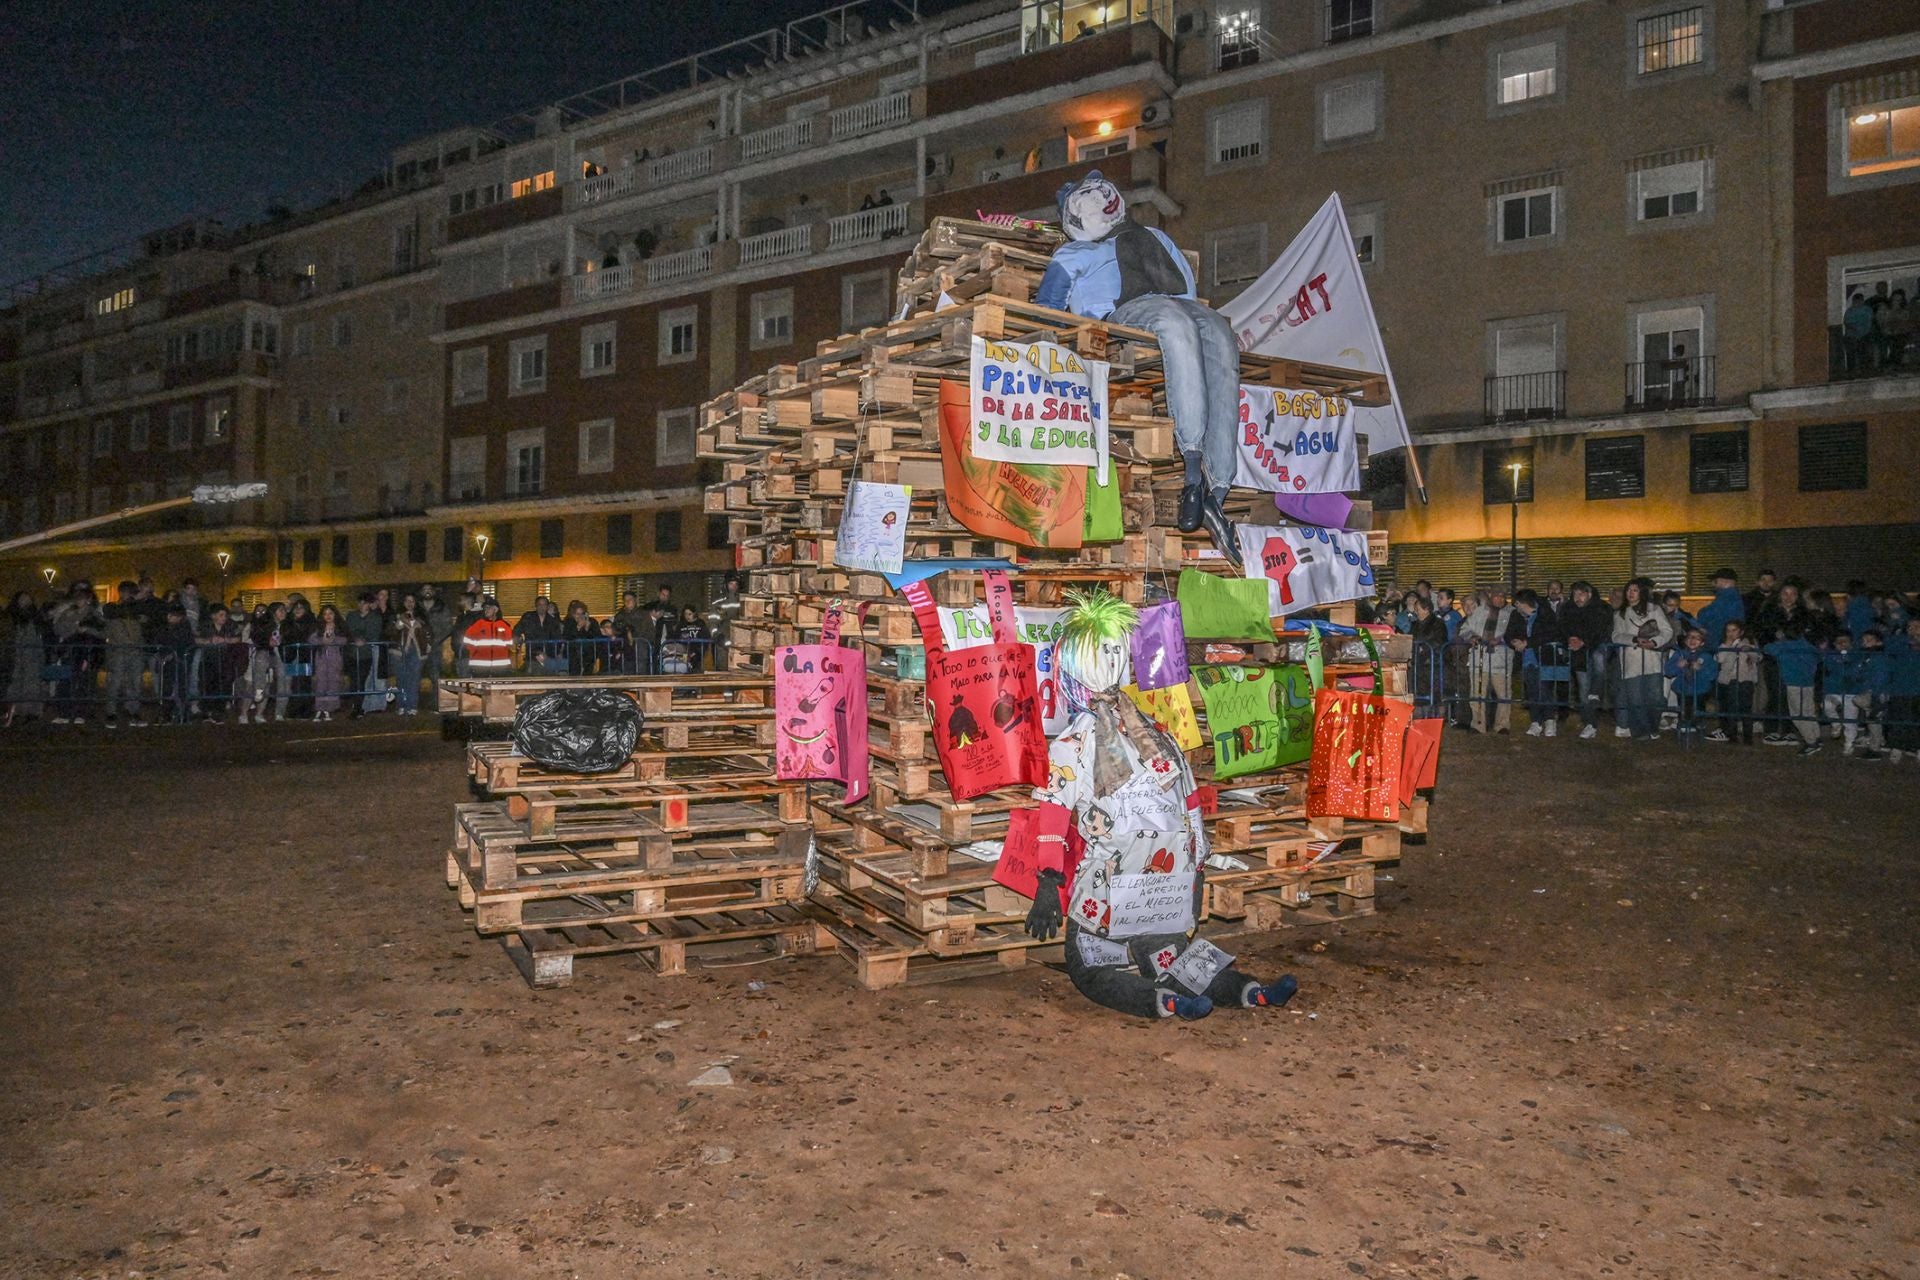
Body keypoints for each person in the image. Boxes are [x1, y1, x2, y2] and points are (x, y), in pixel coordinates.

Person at [1024, 589, 1298, 1021]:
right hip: (1167, 870)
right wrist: (1197, 862)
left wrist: (1048, 879)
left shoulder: (1074, 744)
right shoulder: (1155, 735)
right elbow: (1187, 797)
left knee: (1091, 964)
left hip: (1114, 875)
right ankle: (1250, 992)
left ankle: (1165, 1003)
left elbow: (1054, 814)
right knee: (1171, 957)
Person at [1035, 171, 1242, 565]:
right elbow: (1050, 308)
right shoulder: (1074, 254)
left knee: (1218, 333)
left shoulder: (1154, 236)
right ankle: (1194, 466)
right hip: (1120, 312)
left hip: (1172, 300)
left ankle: (1218, 489)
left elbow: (1186, 288)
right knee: (1174, 324)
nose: (1102, 199)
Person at [1611, 577, 1672, 742]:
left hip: (1652, 659)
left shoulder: (1654, 609)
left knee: (1656, 696)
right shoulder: (1621, 613)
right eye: (1628, 590)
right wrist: (1634, 640)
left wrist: (1654, 642)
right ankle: (1640, 731)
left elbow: (1666, 630)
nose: (1630, 593)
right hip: (1632, 659)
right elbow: (1617, 635)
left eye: (1635, 590)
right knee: (1635, 698)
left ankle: (1653, 726)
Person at [1763, 623, 1822, 755]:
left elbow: (1767, 648)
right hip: (1808, 683)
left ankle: (1811, 742)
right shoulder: (1807, 646)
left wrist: (1780, 640)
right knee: (1809, 711)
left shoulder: (1784, 646)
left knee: (1798, 714)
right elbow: (1818, 657)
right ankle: (1816, 736)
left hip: (1793, 683)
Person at [1463, 588, 1515, 734]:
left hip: (1501, 658)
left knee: (1503, 693)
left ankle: (1502, 724)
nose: (1499, 598)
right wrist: (1471, 637)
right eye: (1496, 595)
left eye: (1502, 596)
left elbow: (1516, 632)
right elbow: (1465, 629)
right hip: (1479, 657)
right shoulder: (1479, 612)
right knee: (1477, 692)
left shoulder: (1511, 613)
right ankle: (1478, 723)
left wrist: (1502, 639)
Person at [101, 580, 147, 727]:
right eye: (130, 593)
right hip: (118, 650)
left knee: (135, 682)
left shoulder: (137, 609)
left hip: (135, 650)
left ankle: (133, 711)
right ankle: (111, 712)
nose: (132, 597)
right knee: (115, 682)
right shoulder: (113, 608)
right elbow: (111, 613)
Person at [1709, 620, 1759, 744]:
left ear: (1741, 632)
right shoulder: (1724, 645)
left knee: (1746, 707)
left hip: (1745, 679)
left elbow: (1757, 657)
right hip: (1730, 680)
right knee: (1731, 707)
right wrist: (1726, 645)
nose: (1730, 633)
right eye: (1728, 630)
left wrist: (1749, 650)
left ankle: (1748, 736)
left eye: (1734, 630)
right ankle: (1732, 735)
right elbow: (1719, 659)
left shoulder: (1749, 644)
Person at [1663, 628, 1718, 741]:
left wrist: (1701, 669)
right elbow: (1668, 671)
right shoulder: (1679, 654)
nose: (1692, 640)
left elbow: (1712, 674)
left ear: (1702, 642)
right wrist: (1678, 666)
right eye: (1689, 637)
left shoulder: (1706, 656)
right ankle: (1684, 724)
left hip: (1700, 689)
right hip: (1683, 688)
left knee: (1698, 710)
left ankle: (1699, 724)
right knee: (1684, 709)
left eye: (1697, 638)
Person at [3, 592, 46, 726]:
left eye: (27, 599)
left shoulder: (35, 616)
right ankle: (15, 711)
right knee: (15, 682)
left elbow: (42, 631)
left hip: (31, 653)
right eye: (22, 599)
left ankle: (31, 712)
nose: (25, 601)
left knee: (31, 682)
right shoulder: (10, 616)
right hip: (15, 653)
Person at [390, 594, 431, 716]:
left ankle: (412, 705)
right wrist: (397, 626)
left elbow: (428, 632)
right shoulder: (397, 617)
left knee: (414, 679)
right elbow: (389, 632)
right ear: (403, 603)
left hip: (417, 651)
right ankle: (401, 704)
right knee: (401, 678)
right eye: (407, 601)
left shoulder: (422, 618)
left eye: (412, 601)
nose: (410, 603)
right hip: (400, 651)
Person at [343, 593, 384, 717]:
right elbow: (349, 631)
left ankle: (358, 707)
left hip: (365, 654)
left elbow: (374, 633)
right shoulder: (352, 616)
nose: (361, 605)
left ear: (370, 604)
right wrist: (356, 638)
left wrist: (363, 639)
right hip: (352, 653)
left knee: (360, 681)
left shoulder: (375, 618)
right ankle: (356, 705)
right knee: (354, 681)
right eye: (360, 602)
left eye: (364, 603)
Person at [1850, 629, 1889, 760]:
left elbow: (1880, 677)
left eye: (1869, 640)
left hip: (1876, 692)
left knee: (1873, 719)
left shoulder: (1879, 657)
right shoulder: (1867, 656)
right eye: (1864, 640)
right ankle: (1877, 743)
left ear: (1879, 642)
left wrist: (1876, 695)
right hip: (1870, 690)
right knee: (1873, 720)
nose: (1865, 643)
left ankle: (1875, 748)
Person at [1409, 595, 1450, 717]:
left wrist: (1423, 650)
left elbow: (1438, 641)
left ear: (1426, 609)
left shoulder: (1438, 623)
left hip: (1433, 663)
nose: (1416, 612)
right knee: (1420, 692)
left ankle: (1435, 719)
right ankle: (1421, 718)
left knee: (1434, 693)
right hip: (1420, 664)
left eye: (1418, 609)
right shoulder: (1415, 625)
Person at [242, 602, 282, 724]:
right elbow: (246, 640)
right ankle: (244, 713)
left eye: (263, 611)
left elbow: (277, 640)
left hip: (268, 657)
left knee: (267, 686)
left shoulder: (272, 625)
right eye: (258, 611)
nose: (260, 614)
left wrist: (275, 641)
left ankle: (260, 713)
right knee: (250, 686)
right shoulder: (251, 625)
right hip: (253, 658)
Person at [1887, 617, 1920, 763]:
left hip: (1917, 688)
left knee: (1916, 719)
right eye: (1910, 626)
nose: (1912, 629)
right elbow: (1888, 647)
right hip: (1901, 687)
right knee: (1898, 717)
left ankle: (1917, 747)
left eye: (1916, 626)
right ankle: (1897, 747)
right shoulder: (1901, 643)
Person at [311, 604, 350, 722]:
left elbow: (345, 639)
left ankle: (329, 709)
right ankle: (319, 708)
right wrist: (321, 641)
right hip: (321, 659)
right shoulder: (318, 628)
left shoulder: (339, 627)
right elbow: (311, 639)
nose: (328, 616)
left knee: (333, 683)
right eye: (325, 614)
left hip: (335, 660)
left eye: (330, 613)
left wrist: (333, 640)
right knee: (321, 683)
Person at [515, 596, 564, 673]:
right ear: (536, 606)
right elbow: (517, 630)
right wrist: (518, 637)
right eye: (539, 605)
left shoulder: (553, 621)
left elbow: (557, 638)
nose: (542, 607)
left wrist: (553, 653)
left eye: (544, 605)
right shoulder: (528, 617)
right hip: (532, 656)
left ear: (547, 606)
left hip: (549, 657)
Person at [1695, 568, 1743, 646]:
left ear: (1725, 581)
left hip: (1719, 643)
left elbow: (1708, 614)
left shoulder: (1727, 598)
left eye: (1715, 581)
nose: (1713, 584)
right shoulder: (1732, 598)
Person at [463, 598, 514, 672]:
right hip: (479, 667)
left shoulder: (505, 626)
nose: (486, 610)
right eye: (484, 608)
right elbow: (467, 641)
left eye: (488, 608)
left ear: (496, 610)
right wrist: (476, 653)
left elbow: (510, 645)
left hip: (500, 667)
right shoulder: (478, 625)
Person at [612, 590, 649, 675]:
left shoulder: (644, 614)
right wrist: (626, 632)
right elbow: (616, 629)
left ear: (635, 600)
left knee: (640, 673)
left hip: (640, 647)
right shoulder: (620, 615)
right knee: (626, 671)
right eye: (626, 600)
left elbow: (649, 631)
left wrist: (634, 636)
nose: (628, 602)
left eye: (630, 599)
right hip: (625, 648)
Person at [561, 600, 601, 675]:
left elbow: (596, 636)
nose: (580, 616)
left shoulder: (592, 622)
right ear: (573, 614)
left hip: (589, 654)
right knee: (574, 672)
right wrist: (578, 628)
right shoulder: (569, 623)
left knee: (588, 672)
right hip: (573, 654)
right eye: (577, 614)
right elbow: (567, 636)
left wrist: (587, 628)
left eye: (582, 614)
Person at [1842, 291, 1875, 375]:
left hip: (1865, 335)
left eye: (1859, 301)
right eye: (1856, 301)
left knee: (1864, 352)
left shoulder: (1867, 310)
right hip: (1852, 335)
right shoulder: (1850, 311)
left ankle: (1865, 370)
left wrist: (1862, 333)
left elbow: (1869, 323)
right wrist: (1856, 331)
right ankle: (1852, 370)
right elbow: (1848, 323)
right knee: (1852, 352)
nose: (1858, 303)